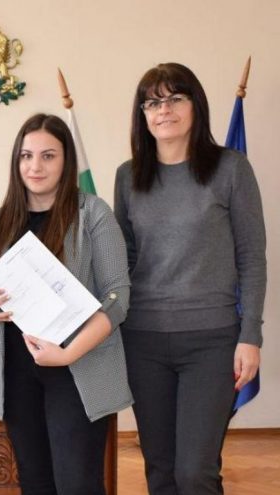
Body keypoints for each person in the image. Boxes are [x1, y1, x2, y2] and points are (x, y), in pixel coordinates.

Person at [114, 63, 266, 495]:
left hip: (212, 342)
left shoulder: (231, 168)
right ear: (143, 115)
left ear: (195, 105)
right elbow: (124, 260)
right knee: (160, 471)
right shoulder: (128, 176)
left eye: (175, 99)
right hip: (143, 341)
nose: (164, 110)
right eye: (152, 103)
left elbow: (252, 258)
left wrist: (250, 336)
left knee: (195, 472)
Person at [0, 114, 132, 495]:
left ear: (66, 161)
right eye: (26, 156)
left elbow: (118, 297)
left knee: (77, 484)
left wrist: (66, 354)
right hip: (18, 372)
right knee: (35, 482)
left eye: (48, 156)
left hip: (78, 368)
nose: (35, 166)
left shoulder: (93, 214)